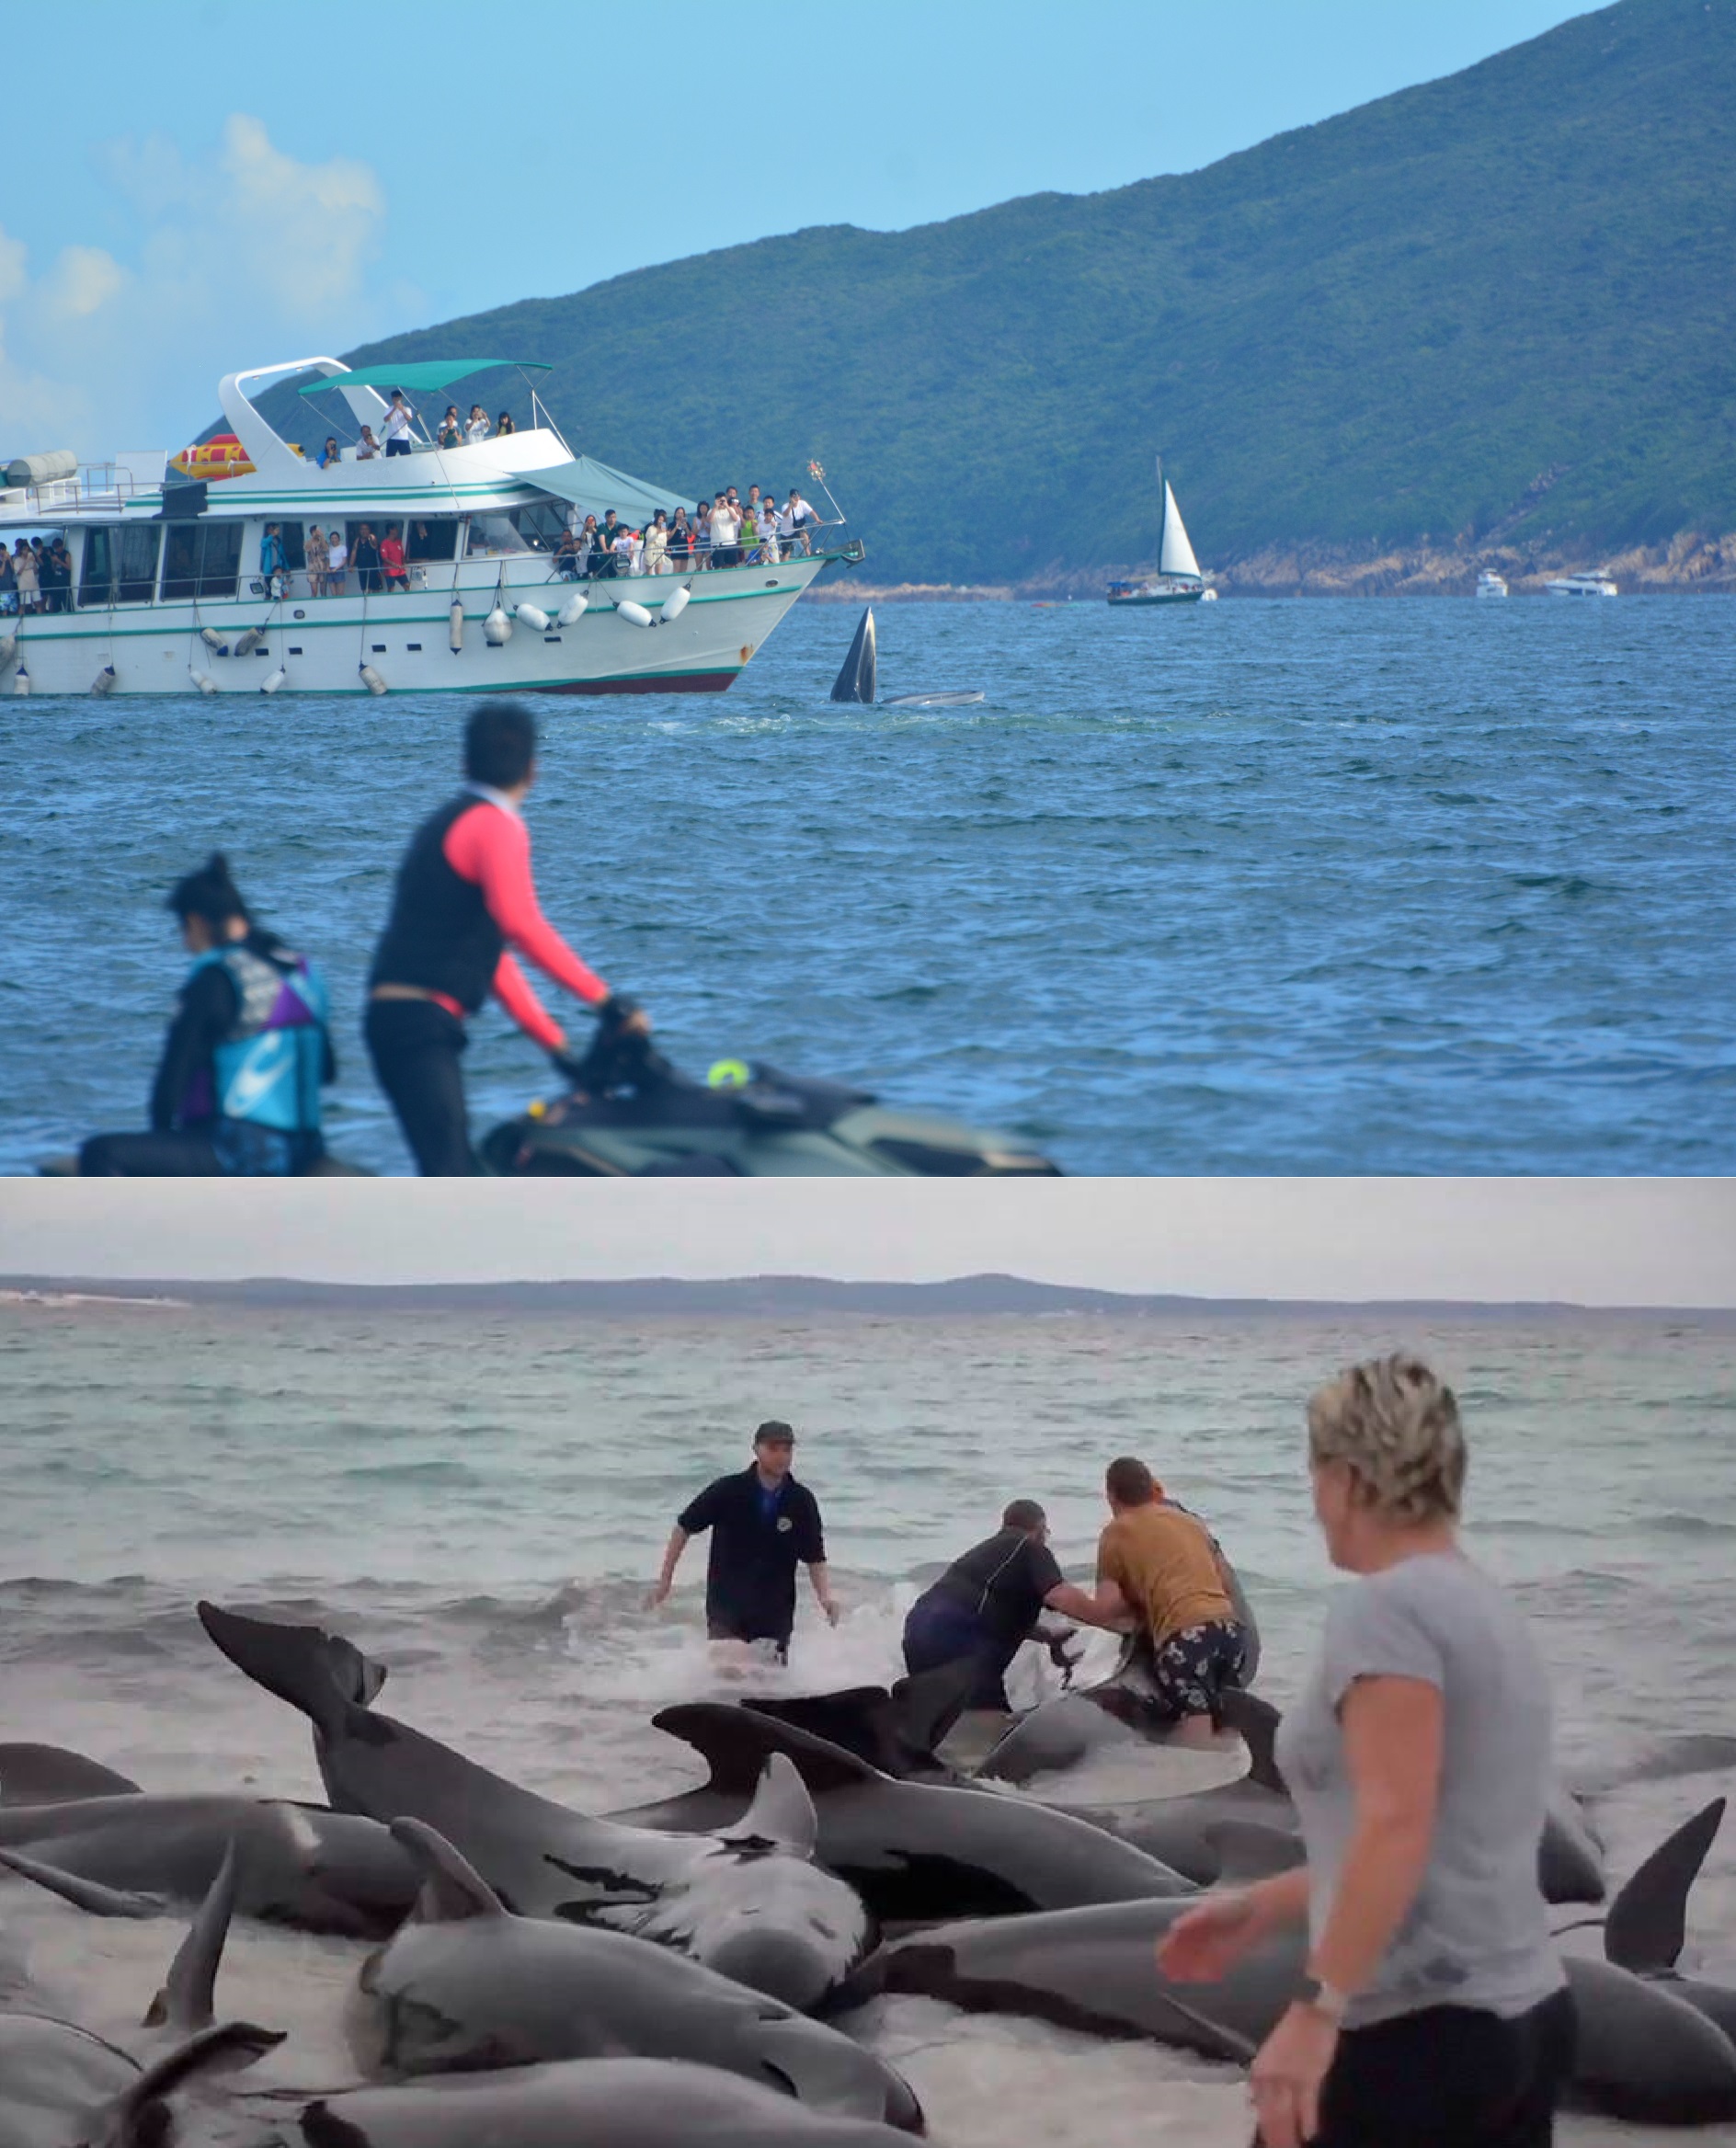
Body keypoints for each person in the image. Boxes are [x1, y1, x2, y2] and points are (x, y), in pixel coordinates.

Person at [1158, 1354, 1574, 2148]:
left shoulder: (1386, 1609)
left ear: (1348, 1478)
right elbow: (1444, 1845)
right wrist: (1262, 1907)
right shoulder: (1486, 1610)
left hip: (1414, 2034)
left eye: (1316, 1472)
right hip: (1526, 2020)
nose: (1315, 1500)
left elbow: (1397, 1827)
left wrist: (1318, 2010)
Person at [364, 700, 647, 1175]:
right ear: (534, 770)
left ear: (464, 763)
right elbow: (521, 925)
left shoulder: (448, 822)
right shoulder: (496, 826)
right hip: (418, 1025)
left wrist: (556, 1047)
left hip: (403, 1021)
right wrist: (606, 1002)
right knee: (453, 1176)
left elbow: (493, 958)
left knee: (455, 1171)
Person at [79, 853, 333, 1177]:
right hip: (307, 1148)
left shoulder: (217, 978)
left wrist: (164, 1140)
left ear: (197, 922)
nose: (186, 943)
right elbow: (325, 1071)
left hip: (241, 1150)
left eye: (183, 929)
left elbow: (170, 1086)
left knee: (101, 1153)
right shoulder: (305, 974)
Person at [902, 1499, 1125, 1709]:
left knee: (933, 1718)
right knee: (987, 1722)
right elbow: (1059, 1595)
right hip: (961, 1641)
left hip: (918, 1631)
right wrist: (1114, 1622)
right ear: (1038, 1529)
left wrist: (1048, 1637)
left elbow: (988, 1610)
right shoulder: (1029, 1548)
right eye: (1046, 1531)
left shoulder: (985, 1553)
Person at [648, 1421, 838, 1661]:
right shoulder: (728, 1490)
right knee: (728, 1672)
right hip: (726, 1603)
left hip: (775, 1610)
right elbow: (684, 1528)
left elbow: (814, 1555)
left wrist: (825, 1597)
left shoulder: (801, 1500)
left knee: (768, 1686)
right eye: (773, 1448)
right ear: (756, 1449)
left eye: (787, 1449)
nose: (781, 1456)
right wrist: (665, 1581)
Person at [1094, 1456, 1247, 1746]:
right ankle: (1238, 1781)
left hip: (1186, 1637)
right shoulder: (1190, 1522)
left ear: (1111, 1495)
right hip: (1231, 1631)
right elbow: (1225, 1583)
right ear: (1152, 1488)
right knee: (1226, 1720)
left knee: (1196, 1724)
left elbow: (1107, 1609)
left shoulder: (1116, 1531)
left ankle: (1196, 1783)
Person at [382, 391, 417, 458]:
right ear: (392, 399)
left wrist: (402, 410)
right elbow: (386, 420)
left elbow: (409, 419)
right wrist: (394, 410)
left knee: (406, 458)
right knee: (390, 458)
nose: (397, 401)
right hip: (392, 438)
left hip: (403, 438)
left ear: (401, 399)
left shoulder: (407, 409)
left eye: (398, 399)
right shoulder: (388, 409)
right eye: (395, 399)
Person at [352, 522, 382, 595]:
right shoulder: (357, 541)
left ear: (369, 530)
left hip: (374, 569)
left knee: (375, 590)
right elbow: (354, 553)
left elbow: (375, 543)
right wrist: (351, 565)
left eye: (366, 529)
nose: (364, 531)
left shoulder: (371, 539)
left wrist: (372, 536)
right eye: (362, 529)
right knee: (365, 590)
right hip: (362, 569)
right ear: (359, 531)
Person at [260, 523, 289, 599]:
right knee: (269, 590)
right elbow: (263, 544)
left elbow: (282, 555)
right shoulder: (265, 539)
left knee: (279, 589)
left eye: (274, 529)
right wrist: (272, 535)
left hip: (278, 569)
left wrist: (287, 568)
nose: (273, 531)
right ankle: (267, 604)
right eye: (271, 529)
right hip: (269, 570)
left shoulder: (278, 541)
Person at [380, 523, 408, 592]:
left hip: (400, 570)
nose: (397, 531)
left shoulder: (398, 542)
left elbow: (402, 555)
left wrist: (404, 563)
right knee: (391, 589)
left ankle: (408, 600)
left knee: (407, 586)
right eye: (395, 529)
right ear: (391, 530)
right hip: (390, 571)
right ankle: (390, 602)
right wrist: (394, 564)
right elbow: (385, 558)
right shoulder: (384, 543)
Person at [304, 522, 329, 599]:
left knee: (323, 591)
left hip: (322, 567)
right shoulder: (308, 542)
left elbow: (326, 549)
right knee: (314, 591)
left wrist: (322, 536)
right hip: (312, 568)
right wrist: (313, 537)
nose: (318, 532)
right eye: (316, 531)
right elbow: (306, 548)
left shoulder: (322, 541)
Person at [642, 509, 669, 576]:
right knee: (649, 573)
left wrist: (657, 541)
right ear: (656, 519)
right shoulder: (651, 528)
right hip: (650, 550)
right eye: (659, 520)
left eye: (663, 520)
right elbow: (649, 540)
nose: (661, 522)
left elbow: (664, 542)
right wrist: (657, 533)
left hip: (659, 550)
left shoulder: (664, 530)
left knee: (659, 572)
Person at [326, 529, 348, 596]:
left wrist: (336, 568)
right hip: (330, 570)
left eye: (335, 538)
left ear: (338, 539)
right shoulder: (329, 548)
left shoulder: (343, 548)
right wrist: (327, 568)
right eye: (332, 538)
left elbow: (344, 561)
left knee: (340, 593)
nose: (334, 540)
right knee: (333, 594)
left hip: (339, 570)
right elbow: (328, 559)